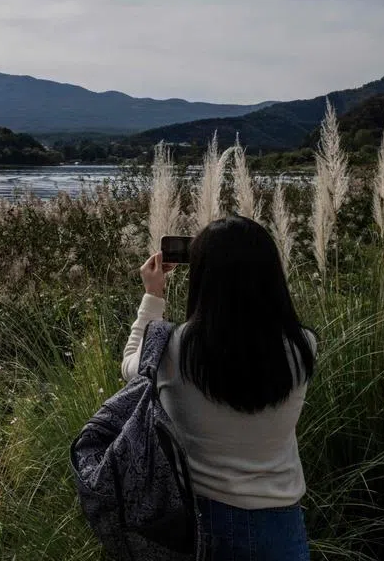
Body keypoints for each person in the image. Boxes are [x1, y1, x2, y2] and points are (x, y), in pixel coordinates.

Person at [122, 215, 318, 561]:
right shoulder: (303, 345)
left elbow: (132, 369)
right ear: (271, 276)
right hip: (281, 525)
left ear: (202, 277)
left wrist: (152, 297)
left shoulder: (175, 347)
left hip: (202, 522)